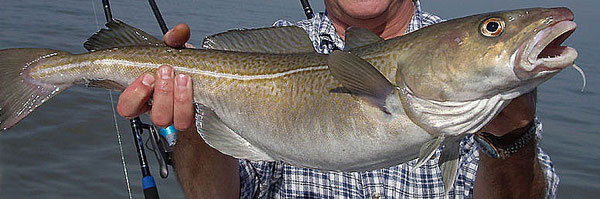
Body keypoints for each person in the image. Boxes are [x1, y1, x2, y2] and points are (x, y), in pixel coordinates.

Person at [117, 0, 558, 198]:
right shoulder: (277, 50)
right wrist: (191, 118)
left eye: (491, 30)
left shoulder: (485, 86)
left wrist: (510, 135)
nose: (493, 36)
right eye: (493, 29)